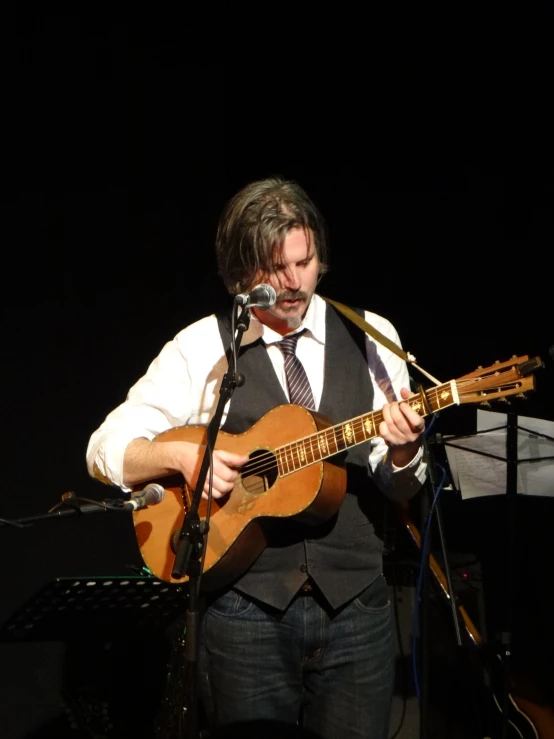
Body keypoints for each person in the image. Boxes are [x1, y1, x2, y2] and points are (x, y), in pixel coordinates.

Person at [86, 175, 428, 739]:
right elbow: (104, 448)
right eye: (275, 269)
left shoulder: (373, 339)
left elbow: (400, 488)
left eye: (306, 261)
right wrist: (178, 455)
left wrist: (404, 450)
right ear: (239, 275)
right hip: (244, 612)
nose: (295, 283)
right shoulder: (202, 346)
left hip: (358, 611)